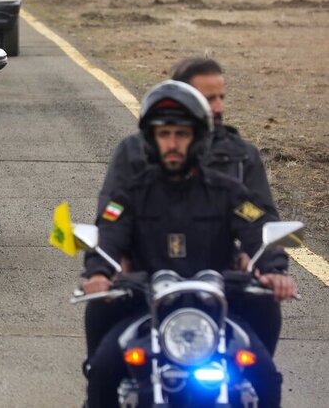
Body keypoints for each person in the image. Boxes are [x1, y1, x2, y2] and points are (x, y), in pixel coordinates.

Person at [82, 80, 295, 408]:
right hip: (145, 306)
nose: (172, 143)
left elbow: (257, 229)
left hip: (218, 307)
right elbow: (109, 234)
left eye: (181, 134)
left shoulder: (228, 191)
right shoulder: (130, 194)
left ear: (197, 138)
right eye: (164, 134)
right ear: (151, 139)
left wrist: (273, 269)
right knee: (103, 369)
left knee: (265, 375)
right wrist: (99, 272)